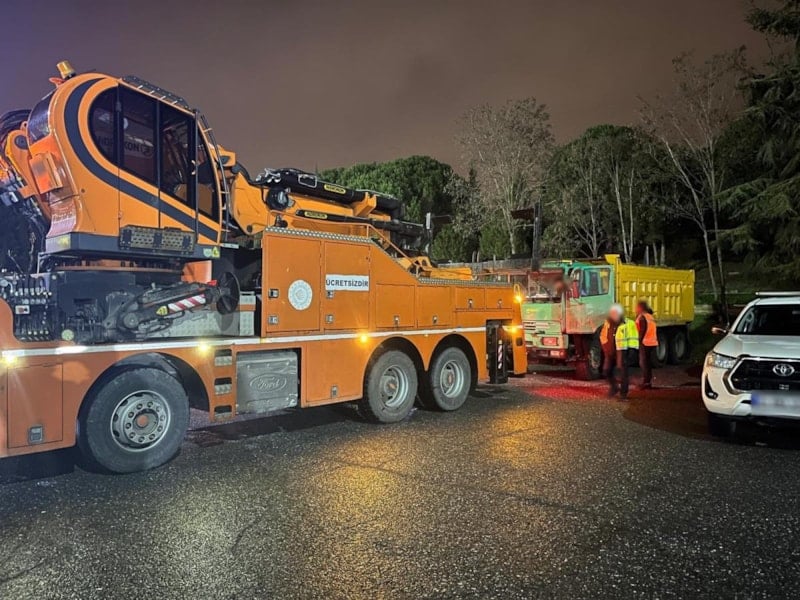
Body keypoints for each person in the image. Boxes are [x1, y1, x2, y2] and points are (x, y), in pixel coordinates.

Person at [600, 304, 640, 400]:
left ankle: (623, 394)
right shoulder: (607, 323)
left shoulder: (629, 324)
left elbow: (634, 339)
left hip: (622, 351)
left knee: (623, 373)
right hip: (610, 351)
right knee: (606, 371)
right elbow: (603, 335)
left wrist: (632, 351)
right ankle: (614, 387)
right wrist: (605, 347)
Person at [635, 300, 658, 389]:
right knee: (647, 363)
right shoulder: (650, 316)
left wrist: (639, 341)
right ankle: (648, 382)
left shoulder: (642, 317)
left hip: (645, 343)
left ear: (641, 308)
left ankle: (646, 382)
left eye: (637, 307)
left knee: (643, 363)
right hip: (652, 342)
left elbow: (642, 330)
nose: (636, 309)